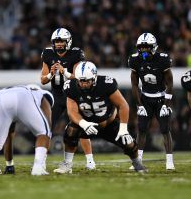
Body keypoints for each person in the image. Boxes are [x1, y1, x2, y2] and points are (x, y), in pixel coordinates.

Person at [53, 61, 146, 174]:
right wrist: (83, 123)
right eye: (81, 80)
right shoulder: (71, 87)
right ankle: (67, 164)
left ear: (94, 78)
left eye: (87, 80)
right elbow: (72, 112)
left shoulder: (106, 84)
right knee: (71, 131)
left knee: (129, 143)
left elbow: (123, 105)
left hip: (108, 124)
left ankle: (136, 163)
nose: (84, 84)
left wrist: (123, 128)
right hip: (87, 124)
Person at [40, 28, 96, 170]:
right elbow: (43, 80)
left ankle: (90, 161)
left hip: (72, 95)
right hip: (56, 96)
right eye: (56, 42)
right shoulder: (47, 54)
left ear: (68, 42)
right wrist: (50, 74)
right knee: (47, 128)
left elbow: (79, 76)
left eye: (61, 41)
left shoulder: (76, 54)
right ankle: (41, 161)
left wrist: (64, 71)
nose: (58, 45)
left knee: (79, 127)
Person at [0, 84, 54, 178]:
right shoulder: (42, 94)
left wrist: (9, 165)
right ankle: (38, 168)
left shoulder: (22, 90)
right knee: (44, 132)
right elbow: (48, 127)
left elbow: (9, 136)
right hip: (23, 96)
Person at [128, 33, 175, 170]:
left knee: (165, 129)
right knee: (141, 129)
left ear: (153, 47)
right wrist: (139, 105)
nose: (143, 50)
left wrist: (166, 104)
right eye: (141, 47)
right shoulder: (135, 60)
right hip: (146, 98)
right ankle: (138, 160)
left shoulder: (162, 60)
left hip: (161, 97)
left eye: (146, 47)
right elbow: (135, 85)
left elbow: (170, 83)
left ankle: (169, 161)